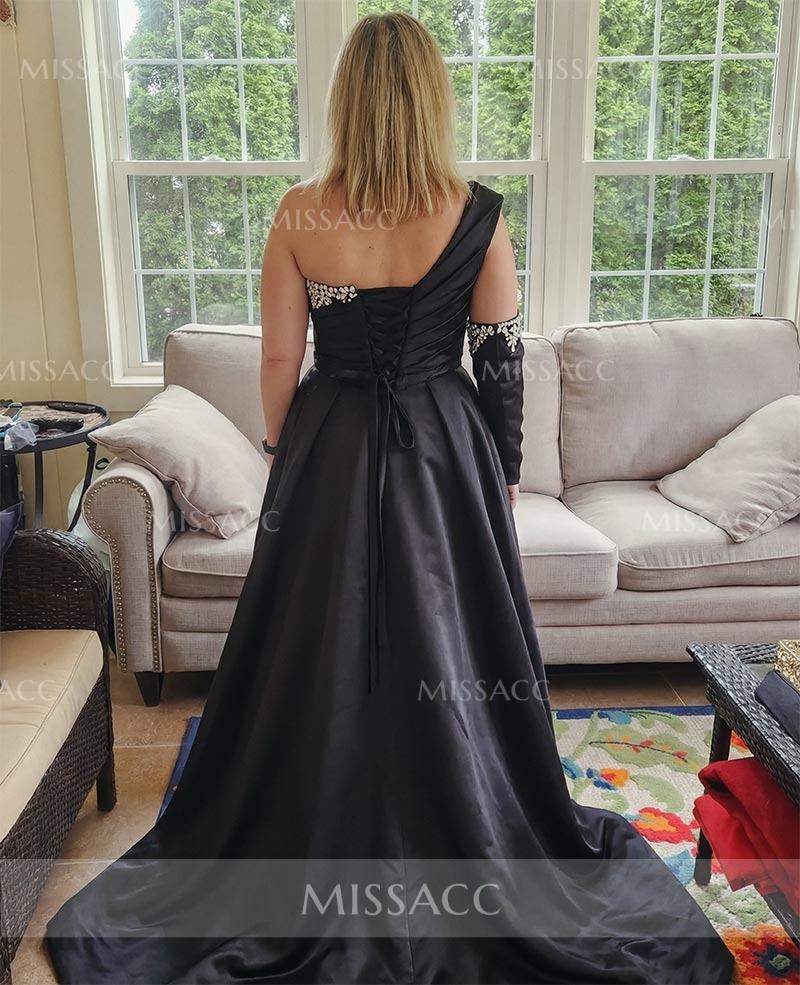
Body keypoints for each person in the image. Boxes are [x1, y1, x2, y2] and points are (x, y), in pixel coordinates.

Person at [45, 12, 734, 984]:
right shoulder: (475, 213)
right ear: (432, 100)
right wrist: (497, 472)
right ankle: (462, 809)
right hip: (443, 449)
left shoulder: (300, 211)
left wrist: (286, 448)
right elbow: (499, 364)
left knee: (317, 638)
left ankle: (316, 810)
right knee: (452, 640)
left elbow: (279, 361)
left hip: (329, 443)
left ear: (346, 102)